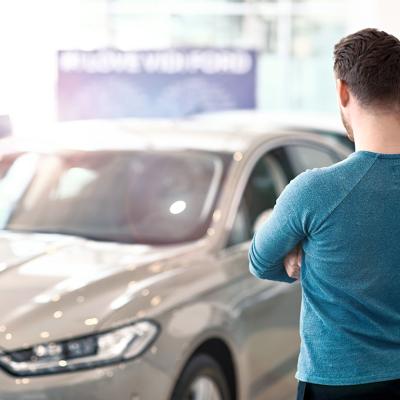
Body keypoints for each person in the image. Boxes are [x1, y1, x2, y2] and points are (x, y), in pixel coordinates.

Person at [248, 28, 400, 400]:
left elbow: (260, 261)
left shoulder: (315, 192)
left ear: (343, 91)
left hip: (336, 384)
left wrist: (302, 249)